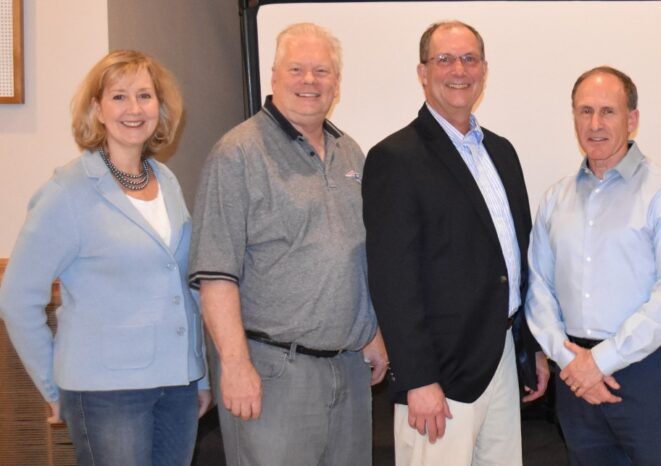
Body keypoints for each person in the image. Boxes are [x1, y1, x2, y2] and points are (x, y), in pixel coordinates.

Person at [188, 23, 387, 466]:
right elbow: (215, 273)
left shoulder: (349, 152)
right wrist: (235, 366)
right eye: (297, 69)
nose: (310, 81)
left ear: (337, 82)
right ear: (274, 77)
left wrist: (371, 332)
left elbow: (354, 253)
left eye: (322, 71)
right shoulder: (237, 153)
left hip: (349, 370)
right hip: (274, 372)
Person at [0, 50, 211, 465]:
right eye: (119, 97)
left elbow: (184, 286)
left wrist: (198, 373)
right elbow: (16, 298)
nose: (134, 109)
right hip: (106, 396)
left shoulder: (164, 179)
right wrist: (54, 386)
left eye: (145, 96)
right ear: (97, 109)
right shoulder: (69, 191)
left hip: (177, 387)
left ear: (160, 107)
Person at [362, 20, 549, 466]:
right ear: (422, 72)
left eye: (469, 59)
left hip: (501, 359)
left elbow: (516, 260)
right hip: (440, 377)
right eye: (444, 59)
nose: (458, 70)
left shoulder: (501, 153)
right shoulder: (395, 158)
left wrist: (532, 348)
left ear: (484, 69)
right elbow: (393, 281)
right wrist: (418, 379)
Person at [525, 66, 661, 465]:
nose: (595, 123)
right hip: (573, 379)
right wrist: (571, 361)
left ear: (632, 119)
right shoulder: (556, 199)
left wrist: (599, 362)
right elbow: (539, 287)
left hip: (648, 375)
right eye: (585, 111)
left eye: (608, 111)